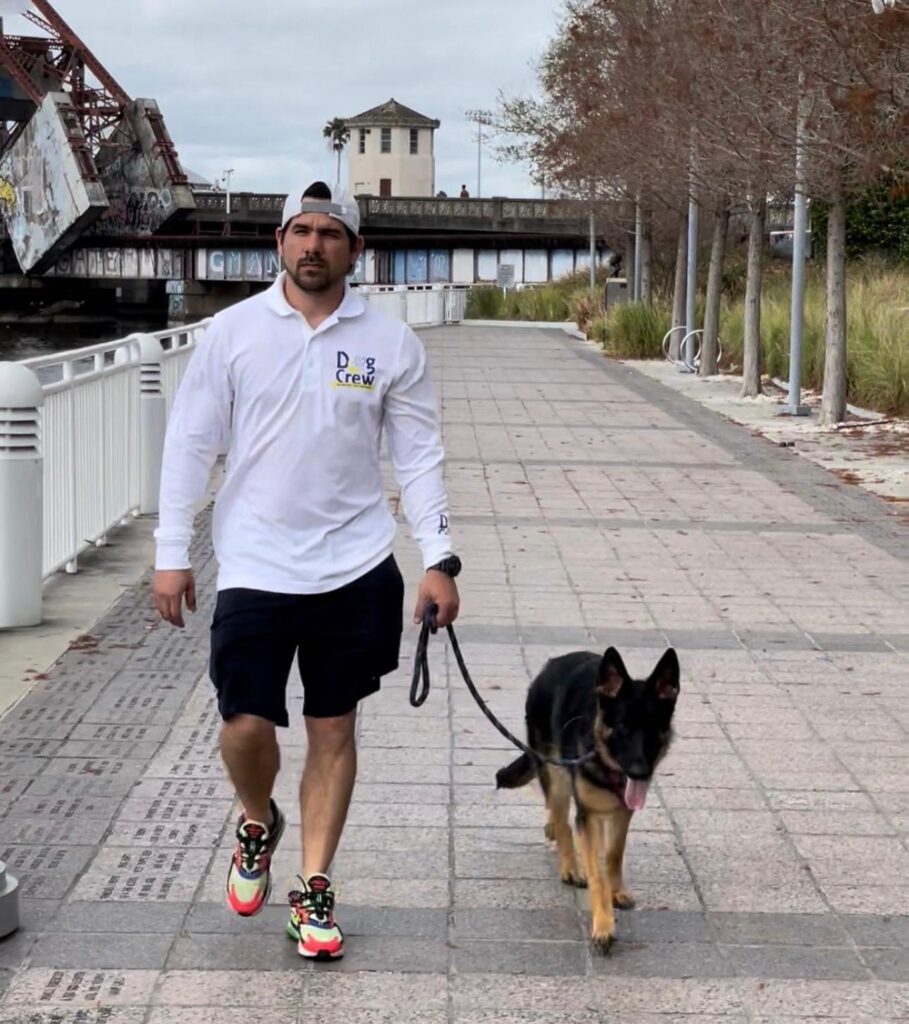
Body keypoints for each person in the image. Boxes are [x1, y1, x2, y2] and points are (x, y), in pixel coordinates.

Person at [151, 179, 461, 961]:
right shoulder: (231, 333)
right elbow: (190, 444)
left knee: (333, 728)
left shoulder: (392, 343)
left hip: (356, 564)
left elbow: (418, 458)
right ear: (279, 242)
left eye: (329, 233)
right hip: (254, 561)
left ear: (356, 250)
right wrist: (170, 553)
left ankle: (314, 887)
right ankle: (257, 818)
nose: (313, 244)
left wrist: (438, 559)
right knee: (244, 724)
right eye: (301, 230)